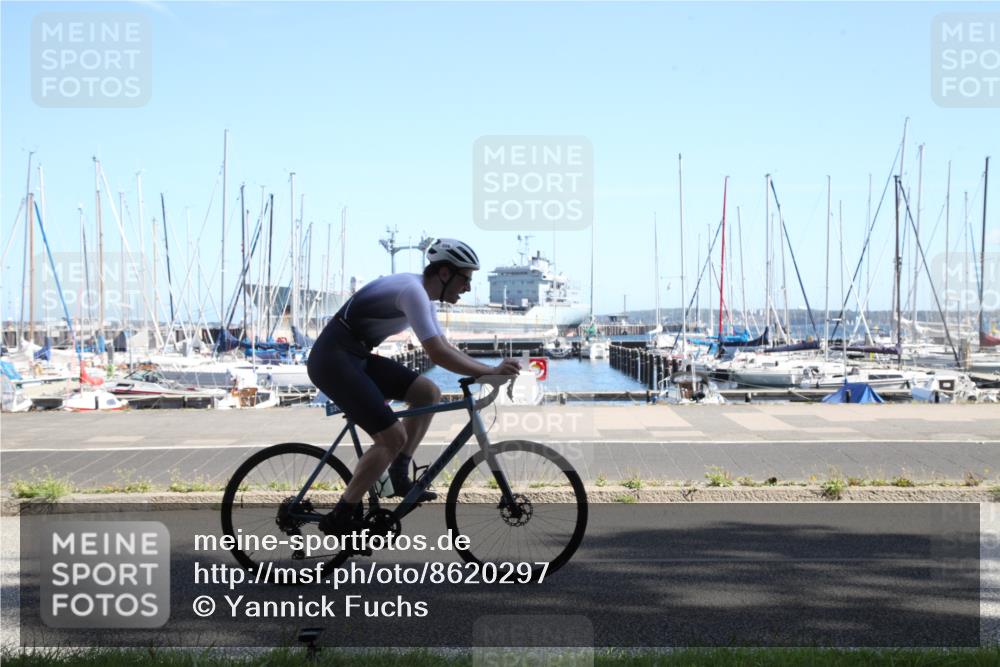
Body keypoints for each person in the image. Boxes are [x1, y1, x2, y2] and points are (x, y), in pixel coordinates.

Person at [307, 238, 521, 536]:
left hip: (355, 356)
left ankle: (398, 472)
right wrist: (489, 372)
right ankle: (340, 515)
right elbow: (437, 354)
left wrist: (488, 371)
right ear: (445, 274)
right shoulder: (413, 293)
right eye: (465, 279)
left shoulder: (424, 297)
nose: (468, 288)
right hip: (332, 360)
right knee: (391, 438)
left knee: (428, 393)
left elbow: (445, 346)